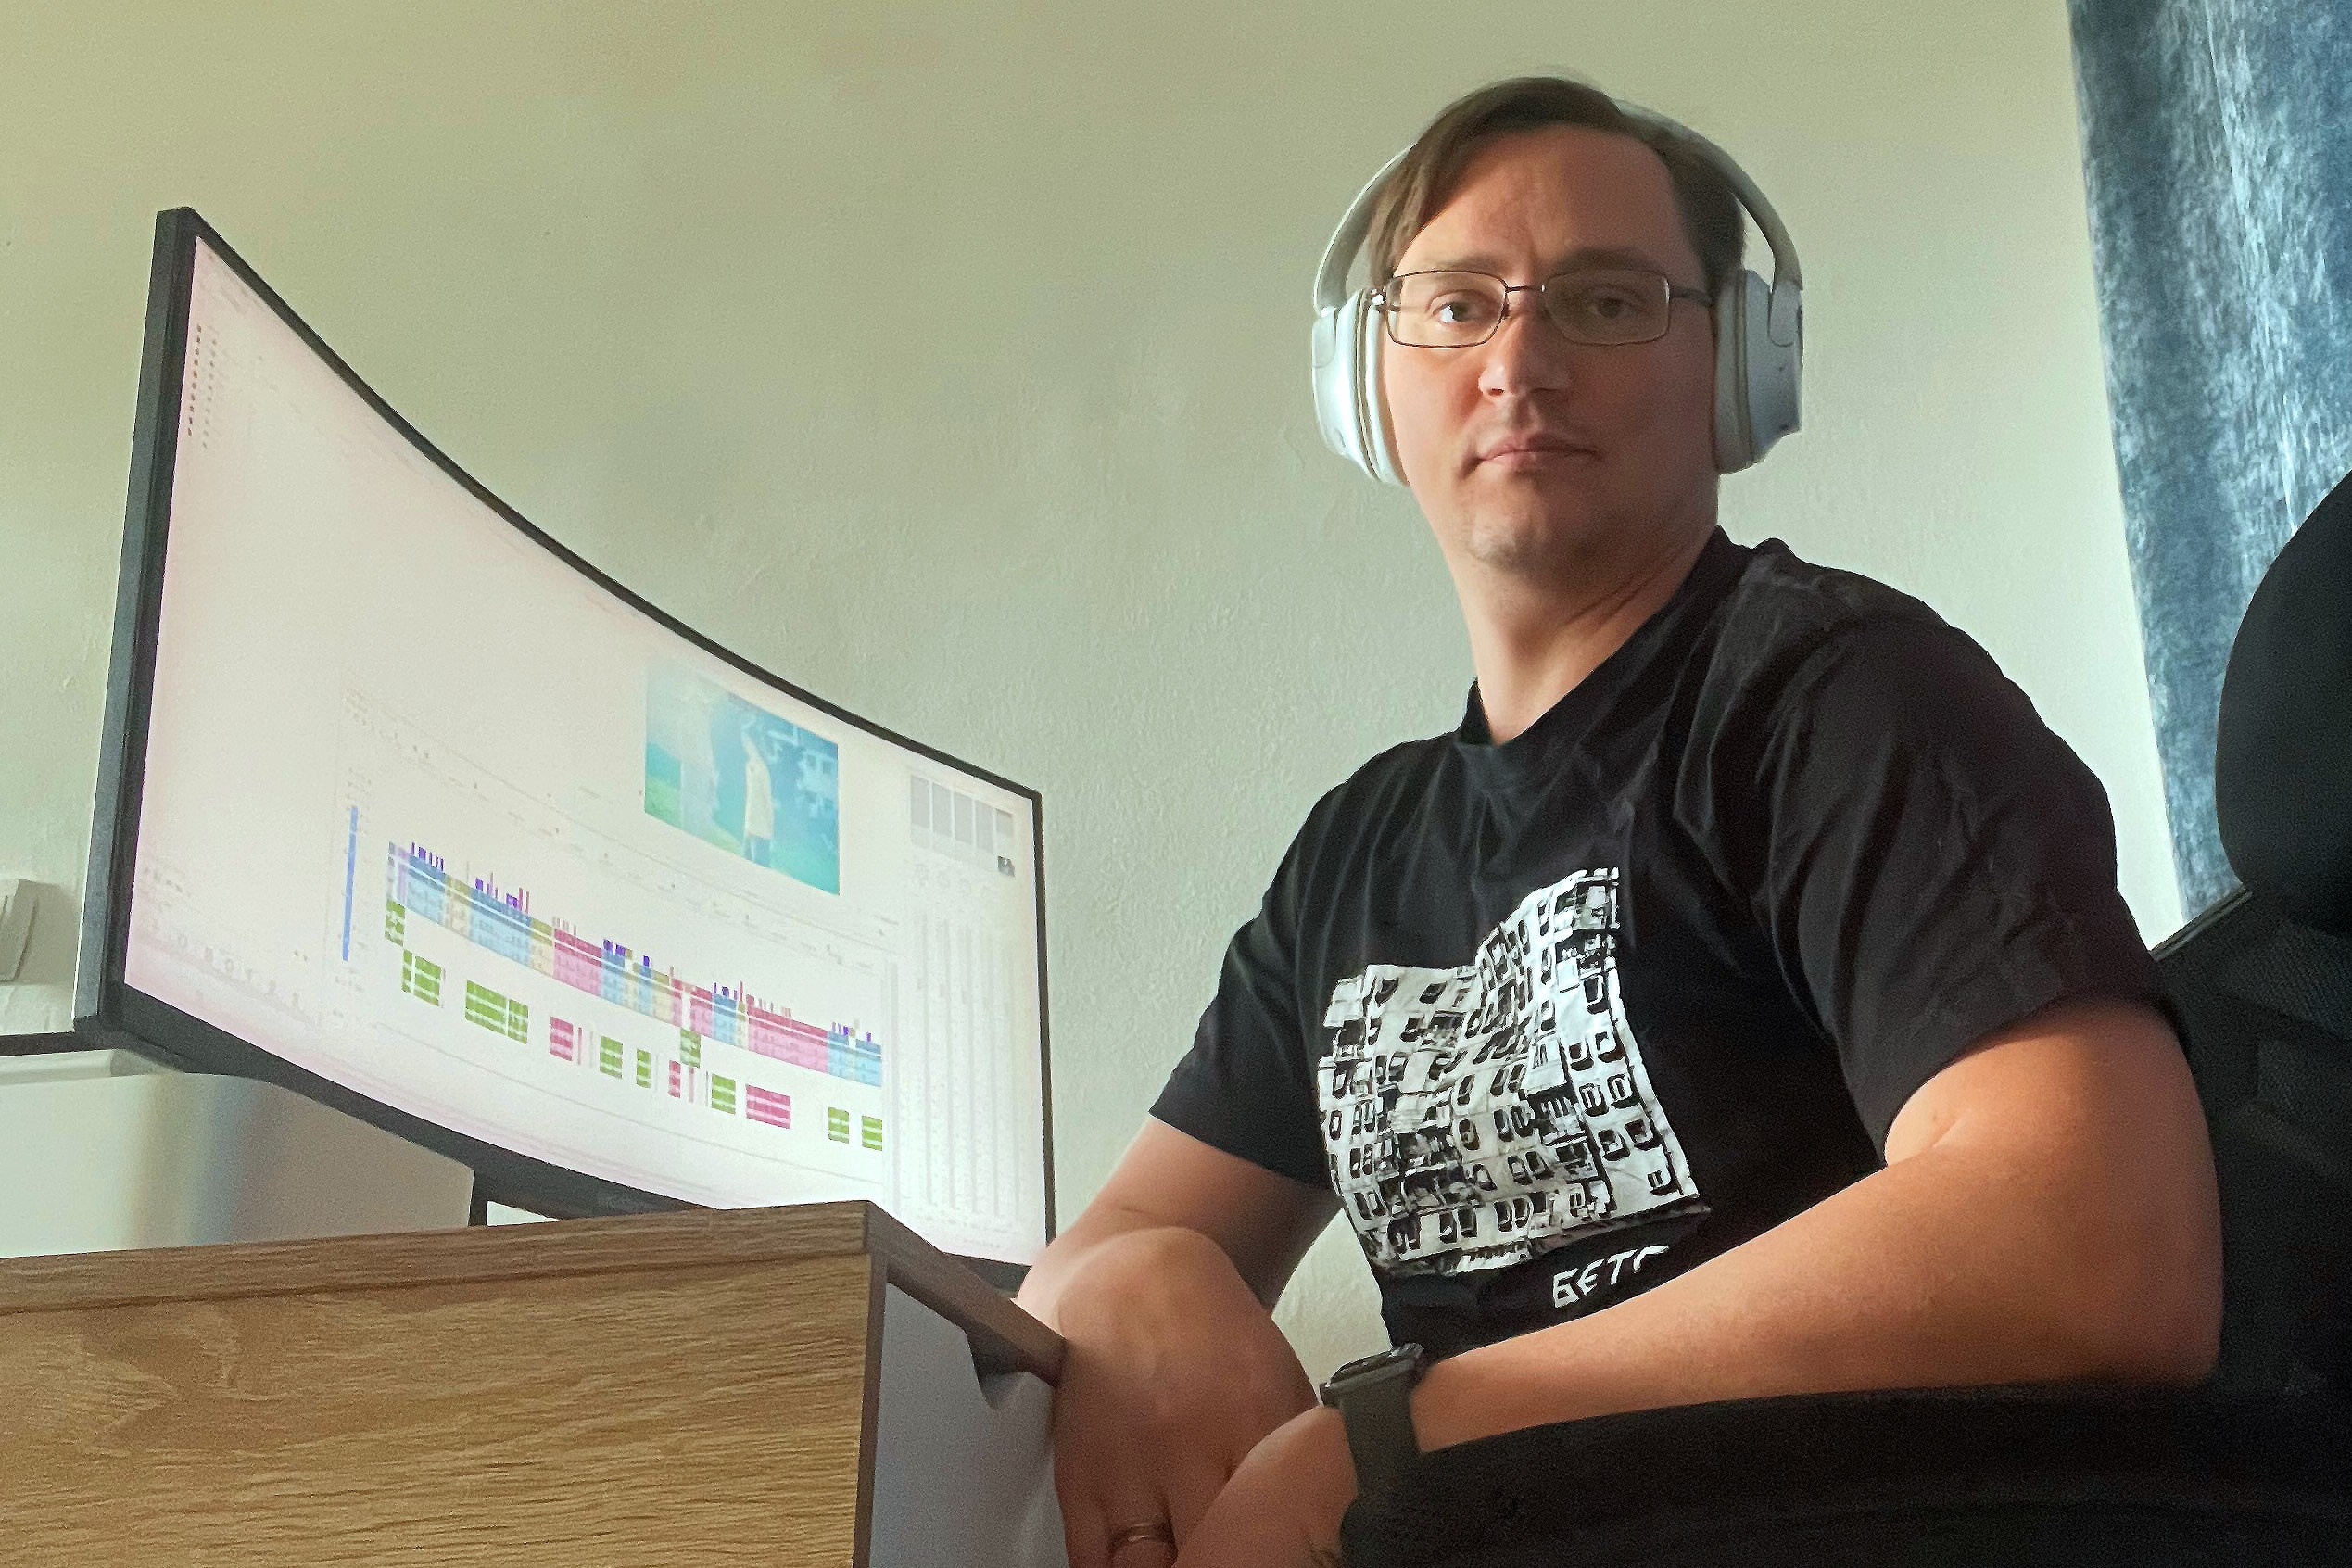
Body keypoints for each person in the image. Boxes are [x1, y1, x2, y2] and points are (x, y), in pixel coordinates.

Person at [1014, 76, 2222, 1568]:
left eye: (1604, 302)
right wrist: (1134, 1278)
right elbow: (1088, 1257)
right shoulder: (1355, 855)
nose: (1518, 360)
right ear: (1364, 385)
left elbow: (2097, 1245)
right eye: (1455, 306)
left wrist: (1389, 1450)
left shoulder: (1840, 698)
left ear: (1736, 371)